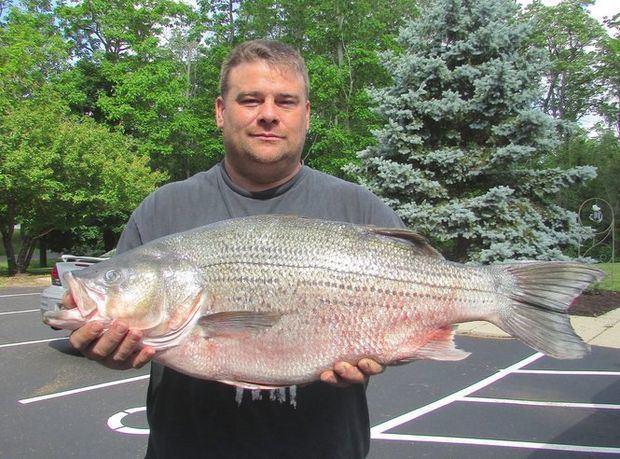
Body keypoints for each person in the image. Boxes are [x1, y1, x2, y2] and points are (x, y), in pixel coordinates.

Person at [68, 39, 404, 458]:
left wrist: (389, 350)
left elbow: (418, 314)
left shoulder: (358, 208)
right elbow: (124, 333)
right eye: (250, 100)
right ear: (220, 112)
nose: (268, 114)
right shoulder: (163, 209)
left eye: (285, 101)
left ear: (306, 115)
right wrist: (111, 351)